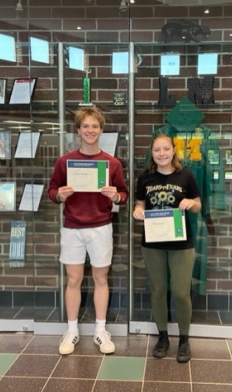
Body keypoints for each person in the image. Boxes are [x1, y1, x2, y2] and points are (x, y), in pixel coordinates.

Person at [48, 106, 128, 356]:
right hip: (72, 227)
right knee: (73, 279)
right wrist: (59, 196)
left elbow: (123, 195)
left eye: (95, 126)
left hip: (101, 227)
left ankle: (101, 330)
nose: (90, 130)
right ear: (78, 130)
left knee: (100, 279)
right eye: (86, 126)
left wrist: (116, 196)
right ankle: (72, 330)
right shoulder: (65, 161)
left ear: (101, 130)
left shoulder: (112, 163)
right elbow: (52, 191)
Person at [133, 133, 201, 363]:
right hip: (153, 243)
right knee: (159, 291)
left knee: (182, 293)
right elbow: (140, 204)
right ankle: (163, 336)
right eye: (156, 150)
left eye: (165, 149)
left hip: (181, 243)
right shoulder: (145, 177)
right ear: (151, 153)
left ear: (173, 150)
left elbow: (198, 205)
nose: (161, 154)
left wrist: (191, 203)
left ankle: (184, 338)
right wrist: (137, 211)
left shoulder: (186, 175)